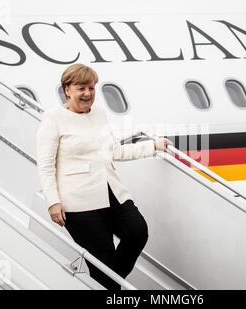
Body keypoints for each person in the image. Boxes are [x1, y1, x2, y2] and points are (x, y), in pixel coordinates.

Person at [36, 63, 171, 290]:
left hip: (111, 192)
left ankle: (108, 285)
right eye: (81, 88)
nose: (88, 93)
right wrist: (53, 201)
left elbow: (114, 151)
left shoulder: (99, 114)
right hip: (79, 203)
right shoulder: (53, 118)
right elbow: (46, 164)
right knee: (102, 266)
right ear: (67, 89)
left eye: (91, 88)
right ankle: (109, 286)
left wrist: (153, 146)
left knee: (137, 232)